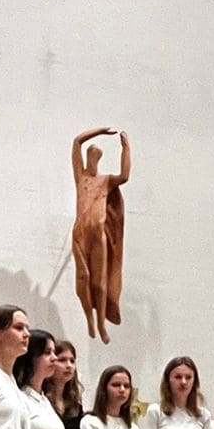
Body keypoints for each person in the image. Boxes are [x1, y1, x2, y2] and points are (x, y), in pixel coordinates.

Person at [70, 127, 131, 342]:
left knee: (99, 282)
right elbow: (77, 141)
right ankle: (89, 320)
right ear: (87, 158)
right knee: (83, 278)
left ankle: (100, 323)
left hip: (98, 235)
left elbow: (124, 176)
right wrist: (100, 132)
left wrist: (125, 147)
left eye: (97, 157)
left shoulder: (105, 181)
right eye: (91, 155)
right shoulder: (81, 178)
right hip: (81, 233)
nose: (93, 160)